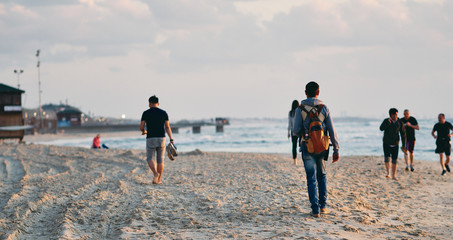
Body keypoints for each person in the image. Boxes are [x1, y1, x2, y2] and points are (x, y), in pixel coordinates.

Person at [292, 81, 340, 218]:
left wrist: (304, 132)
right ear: (318, 92)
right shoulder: (324, 108)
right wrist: (336, 149)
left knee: (311, 177)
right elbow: (331, 129)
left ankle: (315, 209)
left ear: (305, 92)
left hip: (307, 146)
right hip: (322, 146)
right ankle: (323, 206)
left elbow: (295, 130)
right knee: (322, 175)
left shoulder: (300, 109)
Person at [140, 95, 174, 184]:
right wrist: (171, 139)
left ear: (149, 103)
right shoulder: (164, 113)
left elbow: (141, 127)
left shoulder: (145, 113)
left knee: (150, 158)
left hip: (151, 137)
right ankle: (159, 180)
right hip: (161, 138)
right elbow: (167, 127)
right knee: (160, 160)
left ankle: (155, 173)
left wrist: (144, 131)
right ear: (158, 103)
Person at [379, 108, 406, 181]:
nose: (395, 116)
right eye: (393, 115)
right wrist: (387, 123)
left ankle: (394, 175)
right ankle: (388, 173)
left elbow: (403, 134)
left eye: (396, 114)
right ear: (390, 115)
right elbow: (381, 128)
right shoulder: (386, 121)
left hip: (395, 143)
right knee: (387, 158)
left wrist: (404, 145)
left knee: (394, 160)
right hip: (386, 142)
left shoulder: (400, 122)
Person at [288, 100, 300, 165]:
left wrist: (288, 132)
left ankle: (295, 161)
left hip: (293, 132)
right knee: (301, 145)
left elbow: (289, 123)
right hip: (300, 131)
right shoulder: (299, 112)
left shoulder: (290, 113)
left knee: (294, 146)